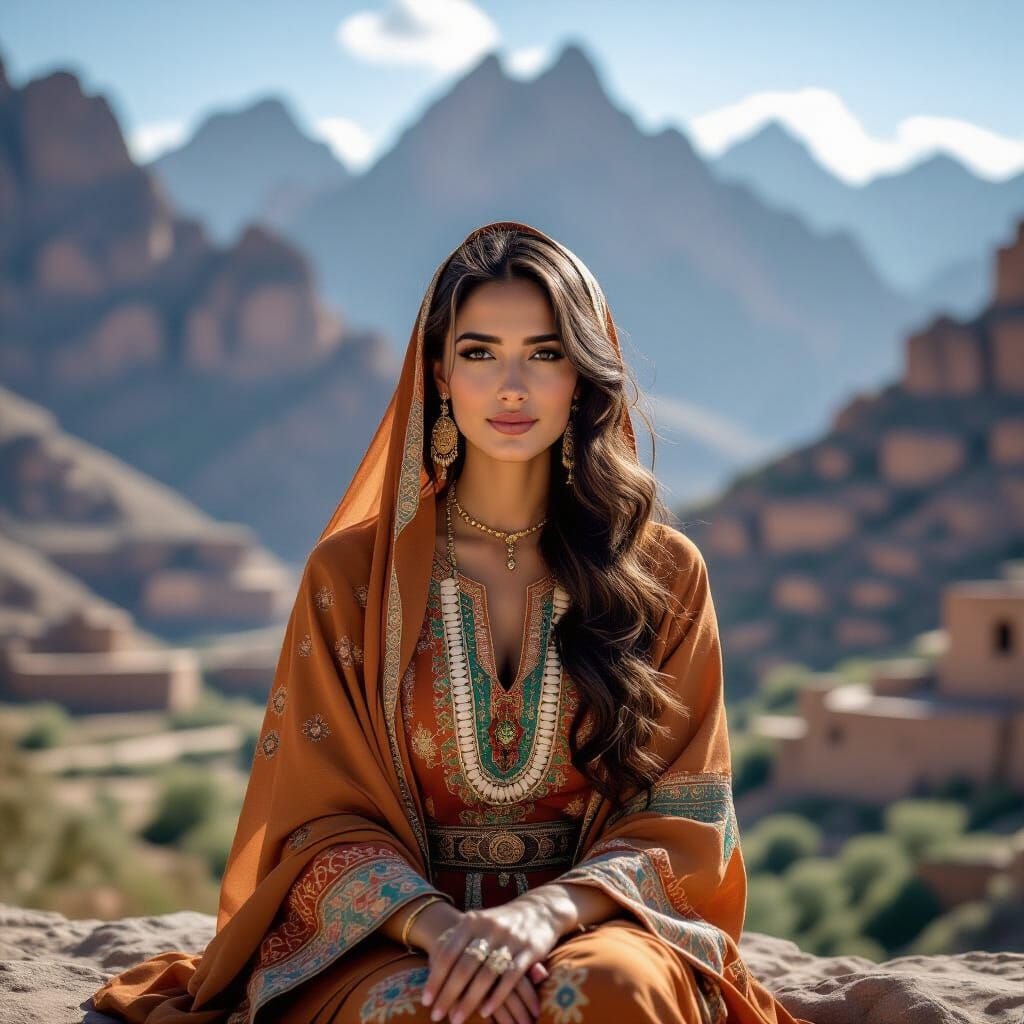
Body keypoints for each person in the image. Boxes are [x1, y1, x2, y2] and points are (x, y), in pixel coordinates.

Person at [91, 221, 812, 1024]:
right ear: (437, 371)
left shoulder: (663, 575)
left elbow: (686, 812)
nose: (512, 385)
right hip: (397, 936)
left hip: (600, 928)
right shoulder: (350, 581)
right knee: (427, 1010)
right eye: (479, 353)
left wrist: (544, 915)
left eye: (544, 353)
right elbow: (313, 820)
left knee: (607, 993)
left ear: (582, 373)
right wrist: (447, 934)